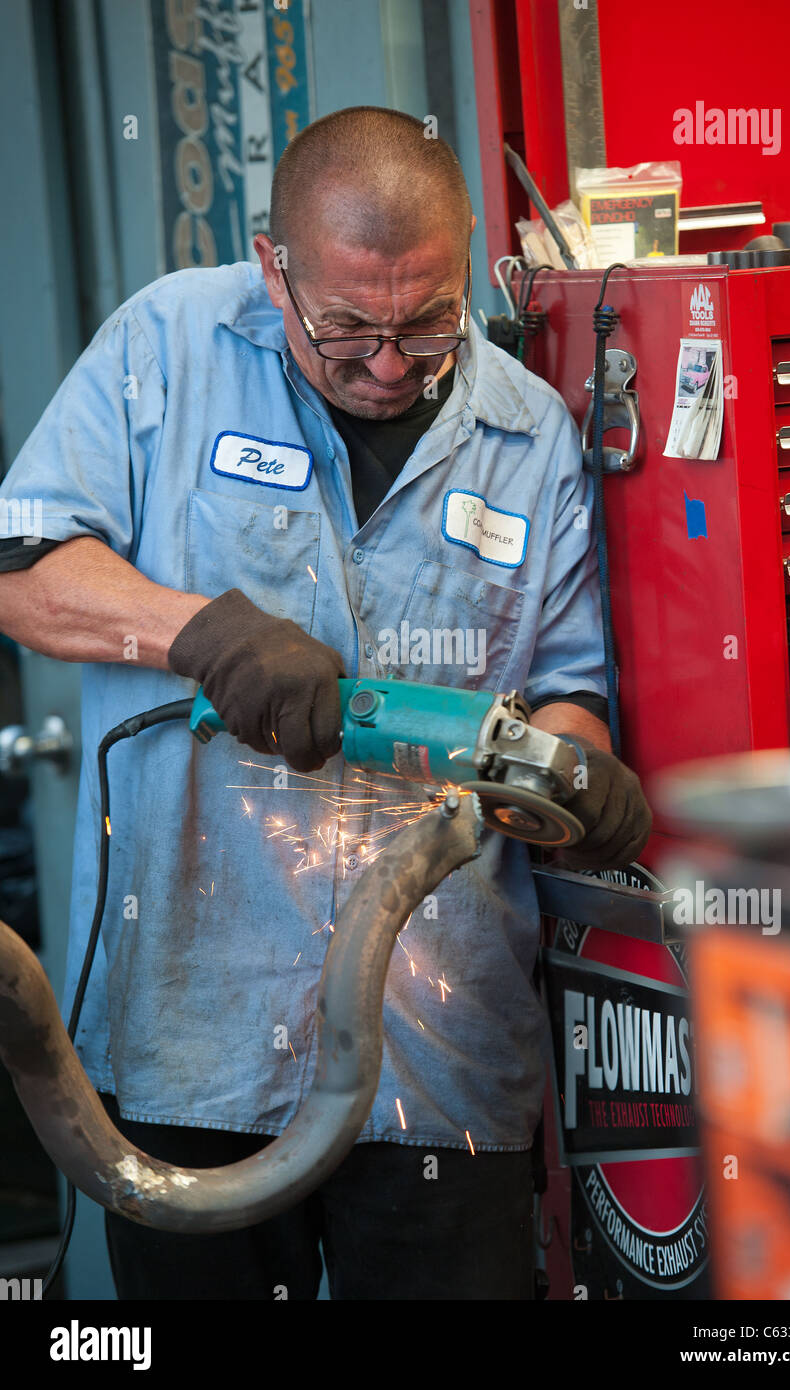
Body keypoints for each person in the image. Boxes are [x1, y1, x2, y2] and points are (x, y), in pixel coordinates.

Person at [0, 107, 650, 1301]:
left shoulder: (528, 436)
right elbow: (24, 570)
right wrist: (201, 632)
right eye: (347, 326)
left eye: (428, 320)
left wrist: (570, 773)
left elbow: (564, 690)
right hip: (190, 1037)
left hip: (441, 1049)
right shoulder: (163, 350)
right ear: (273, 265)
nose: (391, 363)